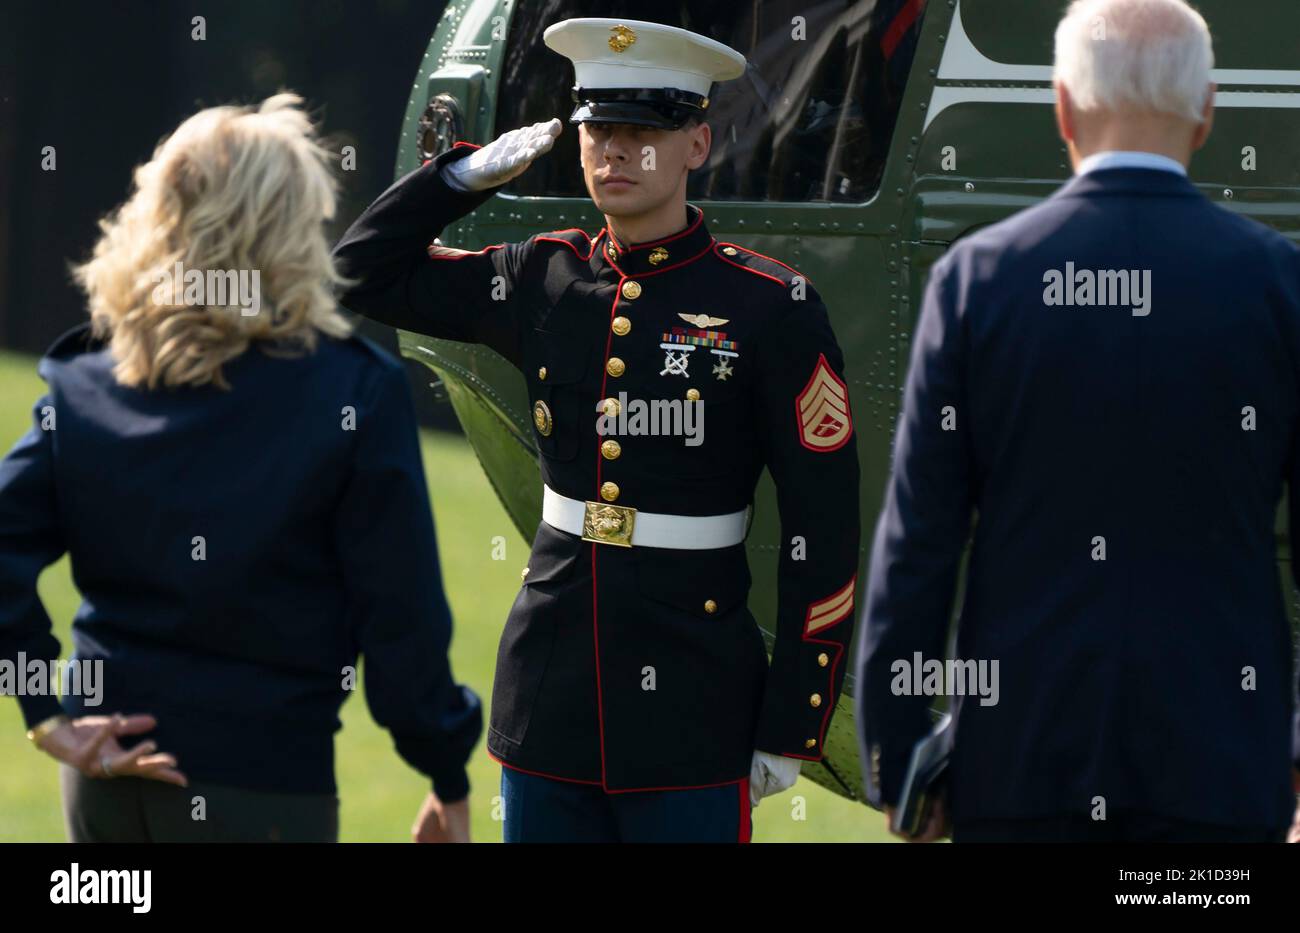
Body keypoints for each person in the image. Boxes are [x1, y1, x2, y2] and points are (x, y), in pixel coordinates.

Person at [333, 18, 861, 843]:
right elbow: (359, 271)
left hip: (696, 703)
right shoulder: (542, 277)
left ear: (696, 142)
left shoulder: (769, 307)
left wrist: (795, 716)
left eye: (643, 130)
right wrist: (458, 177)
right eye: (597, 130)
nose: (614, 152)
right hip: (552, 696)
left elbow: (823, 528)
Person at [857, 0, 1300, 844]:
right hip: (1222, 766)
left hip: (1022, 762)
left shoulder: (975, 282)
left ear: (1062, 105)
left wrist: (902, 754)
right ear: (1206, 109)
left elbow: (918, 545)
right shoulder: (1280, 283)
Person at [0, 93, 481, 843]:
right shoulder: (354, 390)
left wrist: (45, 717)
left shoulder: (88, 377)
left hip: (102, 781)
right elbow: (402, 622)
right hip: (262, 790)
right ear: (292, 227)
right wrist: (445, 771)